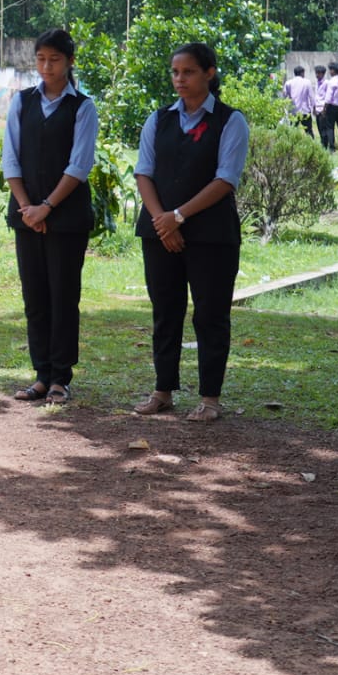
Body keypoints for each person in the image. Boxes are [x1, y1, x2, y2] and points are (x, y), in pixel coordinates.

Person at [132, 42, 249, 423]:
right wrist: (162, 221)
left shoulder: (230, 121)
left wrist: (178, 216)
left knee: (210, 315)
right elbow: (143, 172)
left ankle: (210, 398)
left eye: (188, 72)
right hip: (159, 231)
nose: (179, 79)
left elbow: (225, 179)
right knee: (165, 312)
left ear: (209, 74)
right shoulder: (158, 119)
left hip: (211, 236)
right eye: (175, 72)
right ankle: (162, 391)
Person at [2, 28, 98, 405]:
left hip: (66, 218)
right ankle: (41, 374)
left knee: (63, 295)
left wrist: (47, 206)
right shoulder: (22, 101)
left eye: (54, 59)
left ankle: (61, 377)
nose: (46, 66)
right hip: (26, 215)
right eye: (41, 59)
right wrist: (27, 206)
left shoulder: (82, 107)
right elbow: (11, 158)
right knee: (35, 297)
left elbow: (79, 165)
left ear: (70, 61)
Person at [318, 61, 338, 152]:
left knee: (330, 128)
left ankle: (332, 147)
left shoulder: (332, 81)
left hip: (332, 107)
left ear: (333, 71)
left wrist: (324, 109)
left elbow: (328, 98)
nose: (329, 72)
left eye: (330, 70)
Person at [282, 65, 319, 140]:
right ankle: (312, 144)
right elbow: (311, 97)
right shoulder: (307, 82)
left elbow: (285, 95)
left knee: (292, 130)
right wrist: (314, 108)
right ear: (302, 73)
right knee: (309, 131)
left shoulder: (289, 83)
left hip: (293, 111)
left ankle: (291, 144)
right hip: (305, 111)